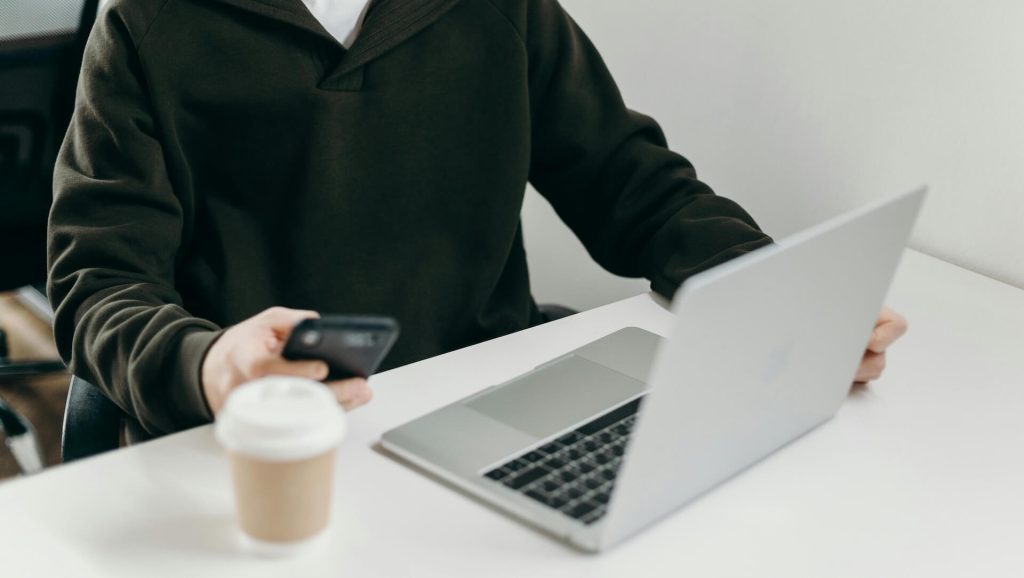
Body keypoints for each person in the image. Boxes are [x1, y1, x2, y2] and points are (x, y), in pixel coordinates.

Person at [47, 0, 906, 438]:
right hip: (275, 431)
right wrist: (205, 364)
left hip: (479, 401)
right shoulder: (147, 27)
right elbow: (99, 285)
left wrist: (781, 301)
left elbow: (634, 185)